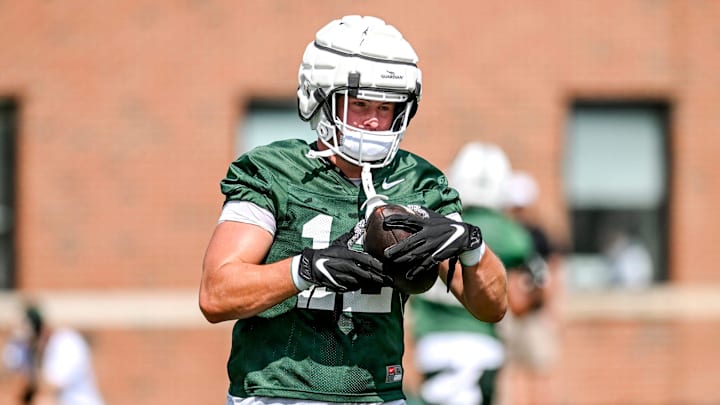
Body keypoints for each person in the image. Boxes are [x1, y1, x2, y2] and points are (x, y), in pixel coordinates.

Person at [199, 15, 508, 405]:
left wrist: (471, 243)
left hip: (378, 396)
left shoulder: (421, 181)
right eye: (360, 104)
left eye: (387, 105)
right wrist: (306, 268)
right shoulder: (273, 171)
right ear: (320, 97)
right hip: (279, 393)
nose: (376, 121)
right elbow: (217, 293)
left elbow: (492, 306)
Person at [404, 143, 551, 405]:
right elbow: (517, 303)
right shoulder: (512, 235)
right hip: (479, 345)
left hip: (430, 342)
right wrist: (539, 293)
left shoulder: (436, 222)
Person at [2, 302, 105, 405]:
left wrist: (36, 356)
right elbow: (7, 372)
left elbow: (48, 389)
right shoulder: (28, 348)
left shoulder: (67, 343)